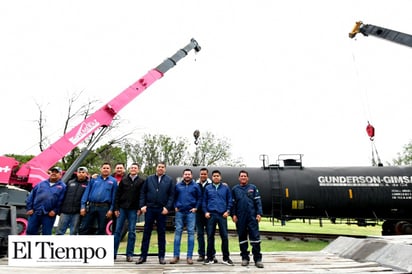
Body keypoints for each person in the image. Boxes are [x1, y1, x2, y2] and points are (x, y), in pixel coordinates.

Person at [136, 161, 175, 265]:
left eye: (163, 167)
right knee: (146, 233)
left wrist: (167, 207)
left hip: (162, 210)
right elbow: (143, 193)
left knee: (161, 233)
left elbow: (171, 196)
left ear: (165, 169)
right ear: (156, 168)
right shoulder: (149, 179)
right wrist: (142, 205)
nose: (161, 168)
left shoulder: (169, 180)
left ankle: (161, 257)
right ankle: (142, 256)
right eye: (159, 167)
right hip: (150, 209)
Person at [231, 170, 264, 268]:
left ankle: (257, 259)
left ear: (247, 178)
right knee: (242, 239)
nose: (243, 177)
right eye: (241, 176)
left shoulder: (253, 188)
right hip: (240, 218)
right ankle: (245, 258)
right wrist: (233, 215)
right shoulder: (235, 189)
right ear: (239, 178)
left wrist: (259, 213)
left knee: (255, 239)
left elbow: (258, 202)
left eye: (245, 176)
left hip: (252, 217)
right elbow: (233, 204)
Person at [169, 168, 202, 265]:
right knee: (178, 232)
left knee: (191, 233)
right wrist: (175, 206)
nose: (187, 176)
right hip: (180, 212)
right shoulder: (178, 186)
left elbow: (199, 198)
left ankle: (189, 257)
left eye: (189, 174)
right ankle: (176, 256)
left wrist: (196, 208)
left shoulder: (195, 186)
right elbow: (173, 197)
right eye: (185, 174)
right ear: (183, 175)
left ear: (191, 176)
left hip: (190, 213)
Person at [113, 163, 144, 262]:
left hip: (133, 209)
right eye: (132, 168)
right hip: (122, 208)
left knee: (132, 232)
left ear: (138, 170)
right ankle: (113, 253)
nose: (133, 169)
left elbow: (142, 196)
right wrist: (116, 208)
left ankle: (129, 254)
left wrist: (140, 208)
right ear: (129, 169)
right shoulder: (124, 180)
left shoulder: (141, 181)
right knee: (117, 231)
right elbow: (118, 194)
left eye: (135, 168)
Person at [202, 170, 234, 266]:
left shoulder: (225, 188)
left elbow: (230, 200)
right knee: (210, 237)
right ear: (212, 178)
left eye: (217, 176)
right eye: (214, 176)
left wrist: (227, 211)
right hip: (211, 215)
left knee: (224, 237)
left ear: (220, 177)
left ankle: (226, 258)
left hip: (222, 215)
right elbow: (204, 201)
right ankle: (210, 258)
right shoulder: (207, 188)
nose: (216, 177)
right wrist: (205, 212)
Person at [25, 166, 66, 235]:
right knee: (30, 232)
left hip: (49, 215)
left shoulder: (63, 187)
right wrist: (29, 208)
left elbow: (61, 201)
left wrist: (55, 211)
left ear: (60, 175)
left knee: (46, 234)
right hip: (35, 212)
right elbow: (31, 196)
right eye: (53, 172)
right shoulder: (41, 184)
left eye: (56, 172)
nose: (54, 173)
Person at [79, 162, 117, 235]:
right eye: (104, 168)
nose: (105, 169)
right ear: (101, 169)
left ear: (110, 170)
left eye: (107, 168)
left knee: (102, 229)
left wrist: (111, 210)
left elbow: (114, 196)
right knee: (84, 227)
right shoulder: (94, 179)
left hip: (104, 208)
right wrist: (82, 207)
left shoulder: (113, 181)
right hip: (91, 206)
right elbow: (86, 193)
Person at [55, 166, 89, 235]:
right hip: (65, 211)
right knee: (59, 232)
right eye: (79, 172)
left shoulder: (88, 184)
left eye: (83, 172)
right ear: (77, 173)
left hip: (77, 213)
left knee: (73, 232)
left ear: (86, 174)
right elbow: (63, 196)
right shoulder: (70, 182)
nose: (81, 174)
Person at [195, 167, 217, 263]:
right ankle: (201, 254)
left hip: (209, 213)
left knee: (210, 234)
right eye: (201, 174)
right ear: (199, 174)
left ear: (207, 175)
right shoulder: (195, 185)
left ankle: (211, 254)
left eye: (205, 174)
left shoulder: (212, 184)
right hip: (199, 213)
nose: (203, 175)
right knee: (200, 234)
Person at [111, 163, 126, 235]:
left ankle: (118, 237)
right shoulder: (110, 177)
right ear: (115, 169)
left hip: (121, 204)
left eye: (121, 168)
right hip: (110, 203)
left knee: (120, 223)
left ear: (124, 169)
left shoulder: (127, 178)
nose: (119, 169)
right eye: (118, 168)